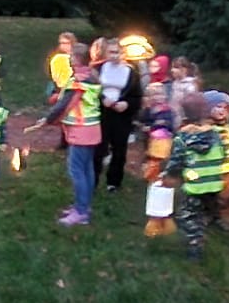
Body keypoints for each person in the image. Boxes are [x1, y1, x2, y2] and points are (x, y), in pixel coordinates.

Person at [31, 57, 101, 226]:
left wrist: (47, 120)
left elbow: (64, 105)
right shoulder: (92, 78)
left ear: (77, 62)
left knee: (76, 170)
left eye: (71, 59)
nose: (69, 61)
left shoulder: (78, 82)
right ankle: (83, 206)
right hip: (92, 129)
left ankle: (81, 212)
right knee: (87, 169)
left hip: (80, 131)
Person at [162, 92, 228, 260]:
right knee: (209, 205)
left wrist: (169, 174)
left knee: (188, 215)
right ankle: (215, 221)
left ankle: (195, 244)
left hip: (195, 184)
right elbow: (222, 155)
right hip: (214, 182)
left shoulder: (183, 138)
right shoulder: (215, 135)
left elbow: (176, 162)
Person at [92, 38, 144, 193]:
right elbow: (90, 90)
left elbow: (137, 96)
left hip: (122, 115)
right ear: (105, 53)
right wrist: (102, 99)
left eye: (117, 52)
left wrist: (126, 104)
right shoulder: (98, 69)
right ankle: (93, 180)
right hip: (102, 113)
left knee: (119, 149)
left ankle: (114, 182)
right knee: (98, 148)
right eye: (111, 52)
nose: (114, 55)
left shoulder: (131, 72)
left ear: (122, 53)